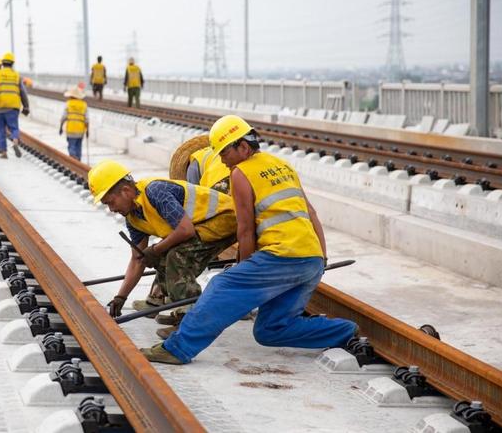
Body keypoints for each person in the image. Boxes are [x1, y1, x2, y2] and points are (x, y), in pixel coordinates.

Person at [141, 115, 358, 364]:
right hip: (311, 259)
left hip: (282, 256)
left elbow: (245, 230)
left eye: (224, 153)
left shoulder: (241, 173)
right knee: (270, 330)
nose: (222, 160)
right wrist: (322, 258)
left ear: (243, 147)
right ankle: (345, 331)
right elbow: (312, 213)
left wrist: (242, 267)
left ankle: (177, 349)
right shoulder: (282, 165)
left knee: (220, 287)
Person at [87, 160, 237, 337]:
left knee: (175, 255)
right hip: (201, 225)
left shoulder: (155, 192)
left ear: (126, 191)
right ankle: (161, 300)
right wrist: (121, 297)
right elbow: (137, 260)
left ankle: (190, 320)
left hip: (224, 218)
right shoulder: (133, 218)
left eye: (110, 202)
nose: (111, 209)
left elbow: (185, 230)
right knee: (161, 252)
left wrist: (156, 249)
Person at [0, 52, 30, 159]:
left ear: (2, 63)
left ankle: (3, 152)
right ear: (12, 64)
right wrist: (26, 107)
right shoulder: (17, 76)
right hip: (13, 107)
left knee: (1, 129)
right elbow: (23, 92)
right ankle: (15, 140)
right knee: (14, 127)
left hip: (0, 106)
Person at [59, 86, 88, 161]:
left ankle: (73, 160)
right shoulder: (84, 105)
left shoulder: (68, 104)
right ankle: (78, 161)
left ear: (71, 96)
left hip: (71, 130)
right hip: (81, 130)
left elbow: (63, 117)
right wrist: (88, 131)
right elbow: (87, 120)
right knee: (78, 147)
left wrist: (61, 127)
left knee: (71, 147)